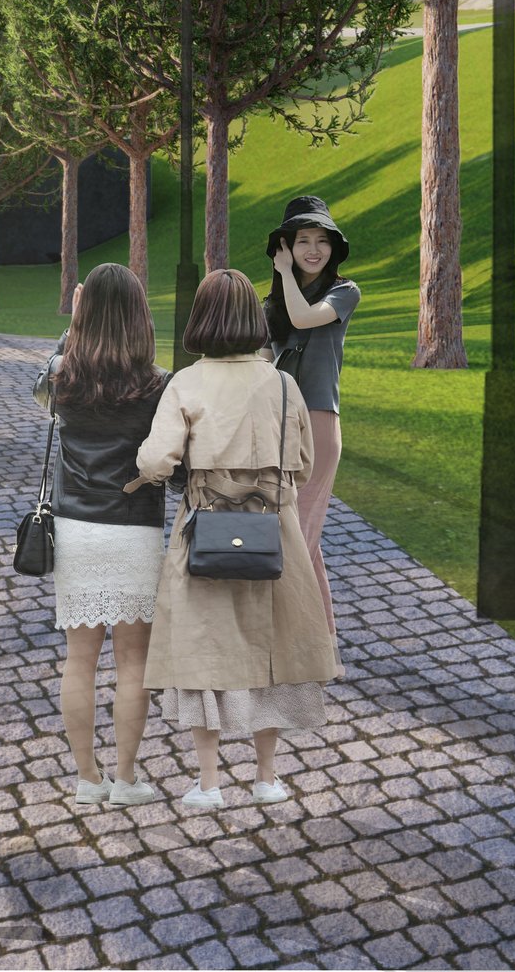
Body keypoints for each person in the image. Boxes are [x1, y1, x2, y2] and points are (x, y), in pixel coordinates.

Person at [127, 268, 337, 811]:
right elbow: (305, 463)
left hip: (207, 533)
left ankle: (209, 784)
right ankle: (267, 779)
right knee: (271, 654)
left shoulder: (186, 383)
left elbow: (155, 461)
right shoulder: (283, 384)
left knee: (206, 654)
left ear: (201, 318)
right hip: (275, 534)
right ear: (254, 319)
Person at [36, 264, 171, 807]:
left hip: (76, 528)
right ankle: (127, 778)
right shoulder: (158, 385)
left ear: (84, 311)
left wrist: (72, 328)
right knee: (133, 662)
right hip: (135, 529)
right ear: (140, 315)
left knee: (80, 660)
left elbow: (42, 393)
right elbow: (173, 466)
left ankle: (88, 779)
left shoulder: (61, 376)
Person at [263, 195, 358, 643]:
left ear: (333, 247)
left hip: (318, 421)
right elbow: (262, 365)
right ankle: (322, 644)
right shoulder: (273, 304)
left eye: (322, 240)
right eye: (303, 240)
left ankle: (290, 641)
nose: (313, 249)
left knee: (297, 535)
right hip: (279, 423)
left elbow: (304, 318)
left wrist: (284, 272)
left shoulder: (345, 292)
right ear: (286, 245)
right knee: (302, 537)